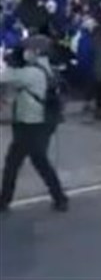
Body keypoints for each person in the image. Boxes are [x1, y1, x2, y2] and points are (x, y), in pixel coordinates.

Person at [0, 46, 69, 212]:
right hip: (39, 122)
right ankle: (5, 200)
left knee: (31, 161)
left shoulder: (29, 73)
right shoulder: (44, 68)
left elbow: (5, 77)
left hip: (31, 123)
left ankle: (59, 197)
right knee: (23, 161)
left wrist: (9, 64)